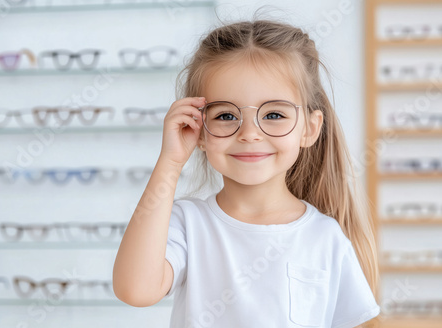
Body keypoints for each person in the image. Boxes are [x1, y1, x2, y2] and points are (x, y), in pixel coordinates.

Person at [113, 17, 381, 328]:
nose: (250, 133)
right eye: (227, 115)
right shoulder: (188, 225)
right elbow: (135, 290)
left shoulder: (325, 236)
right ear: (198, 130)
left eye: (274, 114)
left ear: (309, 128)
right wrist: (170, 163)